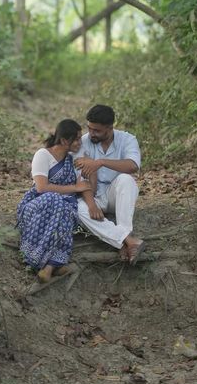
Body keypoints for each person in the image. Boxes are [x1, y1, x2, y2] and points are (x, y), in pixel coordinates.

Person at [16, 119, 92, 283]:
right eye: (77, 139)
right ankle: (42, 261)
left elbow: (84, 185)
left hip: (62, 208)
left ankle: (49, 267)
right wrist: (74, 188)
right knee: (56, 199)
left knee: (65, 209)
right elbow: (42, 188)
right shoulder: (42, 155)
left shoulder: (72, 160)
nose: (80, 142)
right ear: (65, 141)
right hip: (38, 206)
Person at [74, 104, 145, 265]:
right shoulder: (84, 142)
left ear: (110, 128)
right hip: (93, 195)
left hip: (117, 195)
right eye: (89, 128)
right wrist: (91, 204)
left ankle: (124, 239)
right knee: (77, 208)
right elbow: (80, 178)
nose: (91, 133)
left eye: (97, 130)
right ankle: (128, 241)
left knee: (126, 180)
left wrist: (100, 162)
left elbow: (133, 165)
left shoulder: (127, 139)